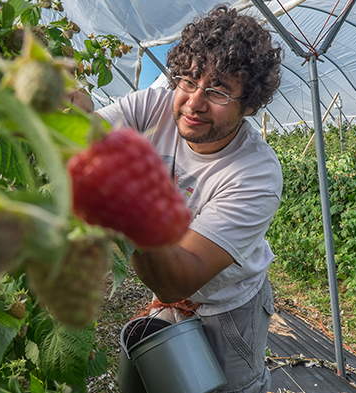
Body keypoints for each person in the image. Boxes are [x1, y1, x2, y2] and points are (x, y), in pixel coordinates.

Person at [96, 5, 283, 392]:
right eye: (188, 79)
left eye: (218, 91)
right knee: (168, 379)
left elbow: (179, 280)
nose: (195, 102)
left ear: (249, 105)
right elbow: (83, 130)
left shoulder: (255, 174)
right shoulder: (160, 103)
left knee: (230, 387)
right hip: (170, 284)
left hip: (227, 306)